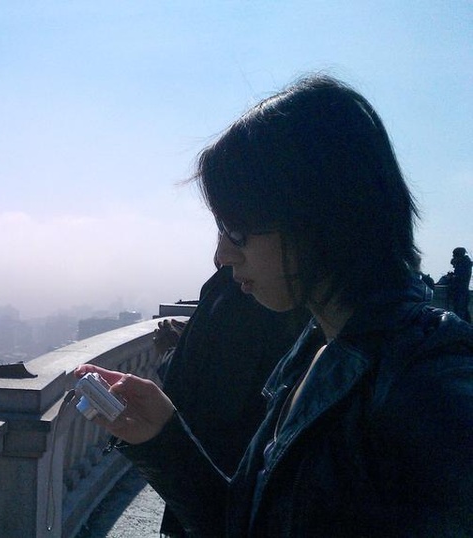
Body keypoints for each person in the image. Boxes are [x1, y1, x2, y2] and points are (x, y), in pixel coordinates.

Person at [76, 75, 473, 536]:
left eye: (237, 230)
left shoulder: (431, 390)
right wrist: (161, 438)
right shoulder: (318, 347)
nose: (223, 255)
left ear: (316, 216)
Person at [152, 264, 310, 537]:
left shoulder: (242, 295)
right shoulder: (285, 302)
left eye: (239, 240)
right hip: (240, 484)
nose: (223, 252)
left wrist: (172, 354)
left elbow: (209, 396)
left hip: (217, 479)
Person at [450, 247, 472, 322]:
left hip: (461, 292)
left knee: (460, 312)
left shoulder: (464, 264)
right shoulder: (464, 263)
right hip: (462, 291)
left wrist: (452, 277)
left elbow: (461, 277)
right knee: (463, 311)